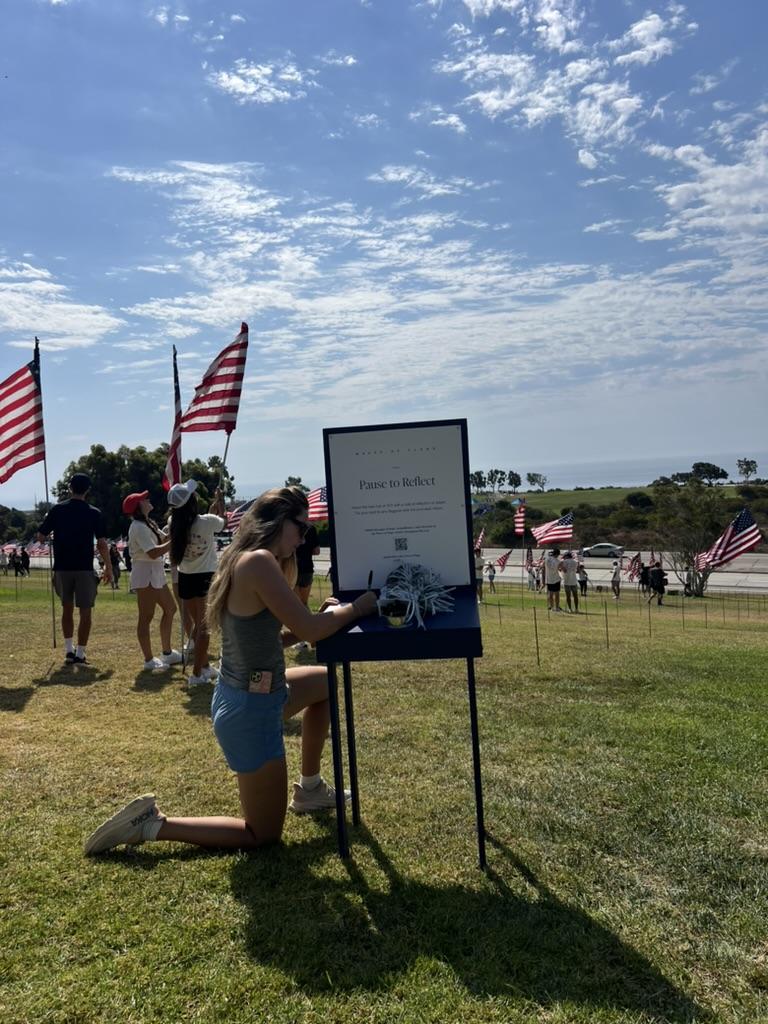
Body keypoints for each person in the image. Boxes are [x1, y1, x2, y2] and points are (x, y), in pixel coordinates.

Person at [83, 486, 378, 855]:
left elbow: (277, 635)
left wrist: (323, 616)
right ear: (276, 522)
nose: (304, 538)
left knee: (325, 684)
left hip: (255, 695)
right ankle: (153, 824)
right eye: (301, 528)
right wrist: (357, 608)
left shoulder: (245, 558)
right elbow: (311, 632)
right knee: (263, 835)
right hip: (250, 711)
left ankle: (310, 788)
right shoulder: (257, 562)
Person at [36, 472, 112, 664]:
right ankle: (80, 653)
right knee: (85, 611)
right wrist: (108, 566)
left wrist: (51, 534)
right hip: (84, 568)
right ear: (88, 490)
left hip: (62, 567)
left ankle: (69, 649)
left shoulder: (57, 510)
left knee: (66, 609)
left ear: (70, 488)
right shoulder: (94, 513)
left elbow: (40, 536)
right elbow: (102, 543)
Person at [168, 480, 226, 688]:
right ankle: (196, 674)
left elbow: (204, 523)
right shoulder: (207, 521)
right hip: (205, 577)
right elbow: (223, 523)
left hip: (186, 578)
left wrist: (214, 509)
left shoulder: (172, 522)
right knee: (204, 628)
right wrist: (221, 502)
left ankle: (204, 666)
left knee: (198, 624)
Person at [124, 491, 181, 670]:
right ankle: (149, 660)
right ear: (139, 506)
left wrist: (178, 527)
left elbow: (164, 540)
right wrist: (175, 541)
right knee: (146, 617)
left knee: (170, 609)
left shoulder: (148, 524)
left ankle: (166, 652)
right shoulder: (138, 527)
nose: (148, 500)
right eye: (144, 499)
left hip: (155, 571)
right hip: (145, 571)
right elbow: (153, 552)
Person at [293, 521, 321, 650]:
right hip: (308, 569)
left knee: (298, 605)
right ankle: (313, 637)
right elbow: (317, 551)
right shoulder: (311, 528)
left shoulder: (290, 526)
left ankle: (307, 638)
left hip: (293, 569)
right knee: (303, 603)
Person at [544, 547, 563, 612]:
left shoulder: (546, 559)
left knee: (550, 594)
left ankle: (552, 608)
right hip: (556, 579)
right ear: (557, 554)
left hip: (549, 579)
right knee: (557, 594)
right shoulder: (558, 561)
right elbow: (561, 568)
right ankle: (557, 607)